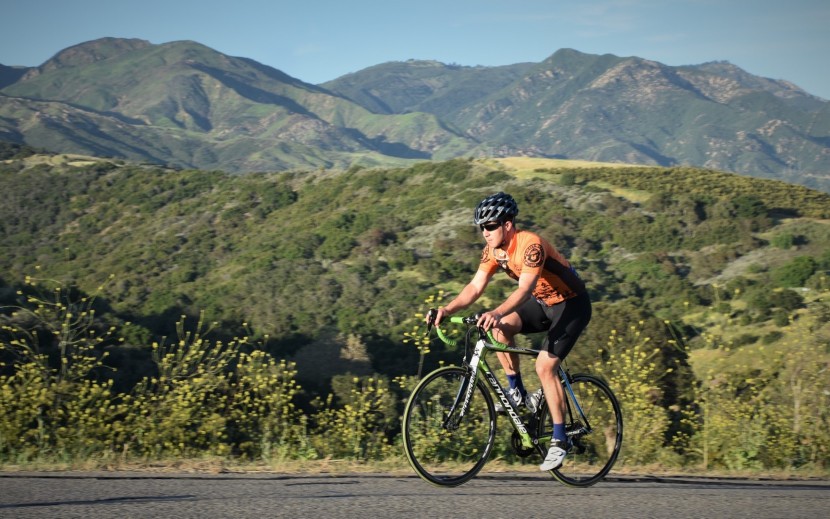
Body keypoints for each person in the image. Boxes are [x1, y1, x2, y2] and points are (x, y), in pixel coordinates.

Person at [430, 192, 592, 471]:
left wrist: (495, 312)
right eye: (481, 227)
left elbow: (524, 290)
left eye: (490, 226)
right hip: (544, 304)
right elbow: (475, 287)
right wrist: (447, 310)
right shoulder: (493, 251)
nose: (485, 232)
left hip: (571, 305)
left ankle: (559, 438)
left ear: (508, 224)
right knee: (500, 330)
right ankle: (516, 391)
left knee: (545, 366)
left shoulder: (531, 246)